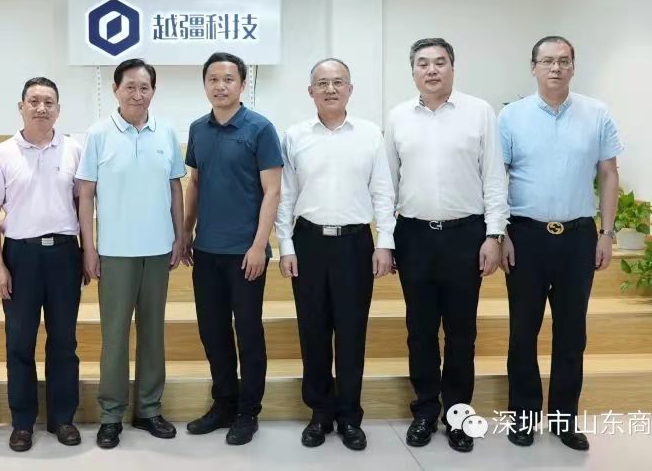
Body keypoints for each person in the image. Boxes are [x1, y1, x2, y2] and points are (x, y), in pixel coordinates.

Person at [384, 39, 509, 453]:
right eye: (423, 63)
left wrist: (493, 235)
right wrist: (386, 238)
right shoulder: (398, 117)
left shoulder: (479, 112)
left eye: (440, 62)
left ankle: (458, 414)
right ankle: (424, 411)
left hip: (465, 235)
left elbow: (494, 178)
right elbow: (387, 184)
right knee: (419, 331)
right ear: (413, 72)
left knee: (461, 333)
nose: (432, 70)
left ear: (453, 68)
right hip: (414, 236)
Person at [499, 36, 621, 452]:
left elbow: (608, 173)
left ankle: (564, 419)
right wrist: (501, 233)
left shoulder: (596, 113)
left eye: (564, 61)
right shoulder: (511, 116)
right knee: (523, 331)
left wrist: (606, 233)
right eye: (547, 61)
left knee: (572, 333)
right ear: (533, 67)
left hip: (578, 237)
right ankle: (524, 417)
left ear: (573, 67)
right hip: (525, 237)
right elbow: (497, 177)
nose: (556, 68)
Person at [274, 58, 396, 451]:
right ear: (310, 91)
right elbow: (285, 195)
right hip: (308, 243)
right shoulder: (294, 136)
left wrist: (384, 242)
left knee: (351, 332)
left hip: (355, 244)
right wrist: (286, 246)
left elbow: (382, 191)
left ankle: (349, 416)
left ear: (350, 89)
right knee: (312, 331)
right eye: (323, 83)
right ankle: (320, 413)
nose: (331, 89)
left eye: (338, 82)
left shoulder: (370, 135)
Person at [76, 58, 187, 449]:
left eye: (144, 87)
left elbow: (175, 188)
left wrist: (179, 237)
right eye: (130, 87)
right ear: (115, 90)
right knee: (115, 335)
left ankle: (149, 409)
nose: (137, 94)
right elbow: (86, 194)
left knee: (153, 333)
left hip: (158, 250)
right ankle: (111, 415)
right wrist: (89, 247)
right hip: (115, 253)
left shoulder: (166, 132)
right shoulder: (98, 134)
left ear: (153, 91)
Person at [0, 77, 84, 452]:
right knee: (19, 342)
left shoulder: (73, 149)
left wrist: (89, 251)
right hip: (20, 257)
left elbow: (83, 203)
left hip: (64, 255)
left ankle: (63, 418)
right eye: (34, 101)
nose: (41, 108)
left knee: (64, 341)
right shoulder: (2, 153)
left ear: (58, 109)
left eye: (48, 102)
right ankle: (22, 422)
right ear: (21, 107)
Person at [183, 52, 283, 446]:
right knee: (212, 331)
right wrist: (185, 232)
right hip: (206, 251)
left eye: (228, 79)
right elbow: (195, 183)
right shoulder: (198, 129)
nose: (220, 86)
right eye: (213, 79)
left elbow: (272, 191)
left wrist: (260, 245)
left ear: (242, 84)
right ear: (205, 85)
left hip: (246, 253)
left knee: (248, 332)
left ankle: (247, 411)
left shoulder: (260, 128)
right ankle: (223, 403)